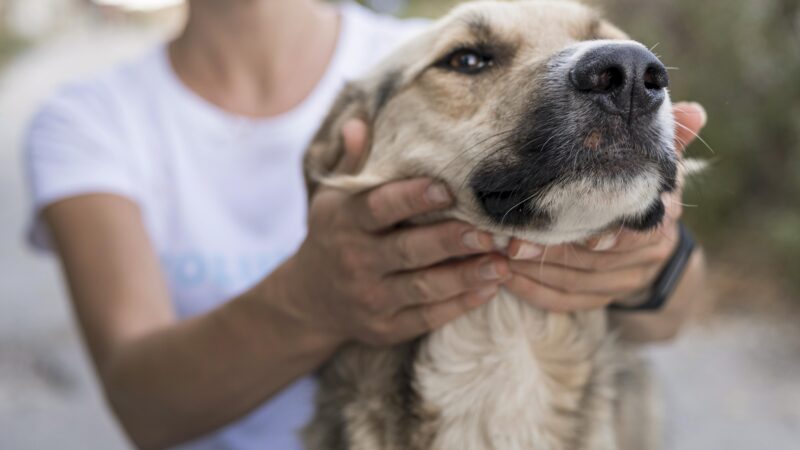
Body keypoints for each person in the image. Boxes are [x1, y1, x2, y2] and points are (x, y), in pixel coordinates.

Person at [23, 0, 707, 449]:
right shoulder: (88, 119)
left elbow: (670, 314)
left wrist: (653, 263)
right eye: (472, 62)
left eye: (627, 63)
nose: (623, 77)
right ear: (333, 159)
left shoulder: (415, 41)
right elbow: (144, 406)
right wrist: (310, 298)